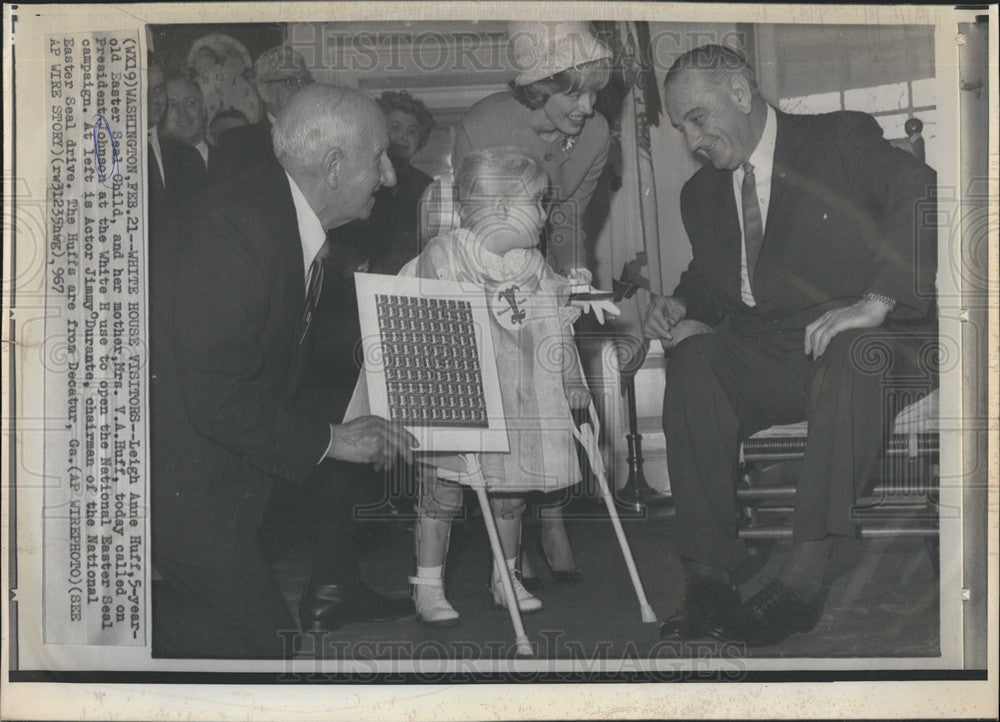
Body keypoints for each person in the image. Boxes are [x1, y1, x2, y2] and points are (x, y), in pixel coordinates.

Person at [643, 45, 936, 646]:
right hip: (775, 352)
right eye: (680, 128)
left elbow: (921, 192)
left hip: (868, 343)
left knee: (855, 354)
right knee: (694, 361)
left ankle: (803, 580)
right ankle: (707, 580)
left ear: (742, 93)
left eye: (699, 117)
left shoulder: (841, 139)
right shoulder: (700, 194)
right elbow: (713, 275)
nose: (693, 139)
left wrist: (875, 302)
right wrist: (682, 304)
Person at [150, 84, 418, 658]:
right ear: (335, 166)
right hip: (178, 497)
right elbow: (217, 397)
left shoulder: (267, 212)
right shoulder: (236, 229)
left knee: (198, 653)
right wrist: (331, 440)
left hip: (207, 489)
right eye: (379, 158)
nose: (390, 177)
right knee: (262, 651)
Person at [438, 21, 614, 586]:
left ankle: (554, 515)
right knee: (508, 403)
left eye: (595, 92)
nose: (588, 107)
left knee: (553, 389)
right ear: (539, 85)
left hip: (546, 263)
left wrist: (564, 286)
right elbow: (477, 218)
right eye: (575, 92)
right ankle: (506, 541)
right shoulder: (484, 123)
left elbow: (569, 217)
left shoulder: (597, 135)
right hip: (484, 269)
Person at [404, 146, 594, 625]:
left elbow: (555, 324)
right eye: (538, 203)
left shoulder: (531, 265)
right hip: (457, 394)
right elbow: (421, 319)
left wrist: (571, 376)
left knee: (511, 495)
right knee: (442, 494)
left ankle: (504, 578)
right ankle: (428, 585)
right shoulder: (445, 256)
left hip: (516, 397)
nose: (546, 215)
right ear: (501, 209)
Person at [352, 90, 435, 275]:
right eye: (395, 127)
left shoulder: (427, 185)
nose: (404, 137)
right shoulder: (359, 176)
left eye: (412, 131)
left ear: (420, 139)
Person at [210, 45, 314, 180]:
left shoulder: (324, 135)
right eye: (290, 82)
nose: (301, 89)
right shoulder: (238, 143)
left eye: (305, 81)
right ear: (265, 92)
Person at [147, 63, 204, 225]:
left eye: (159, 90)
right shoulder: (111, 152)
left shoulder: (187, 156)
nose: (154, 99)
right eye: (145, 90)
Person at [161, 76, 212, 171]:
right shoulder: (155, 168)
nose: (182, 112)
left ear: (203, 109)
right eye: (172, 105)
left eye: (189, 103)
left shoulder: (229, 161)